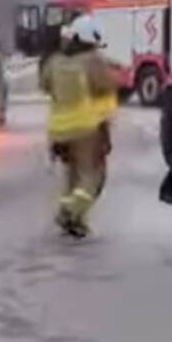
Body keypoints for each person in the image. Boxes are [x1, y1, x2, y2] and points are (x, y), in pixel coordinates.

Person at [40, 14, 119, 238]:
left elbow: (45, 85)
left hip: (58, 131)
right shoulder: (93, 61)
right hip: (85, 129)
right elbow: (106, 86)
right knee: (93, 177)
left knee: (72, 175)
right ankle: (69, 212)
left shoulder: (54, 61)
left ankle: (76, 222)